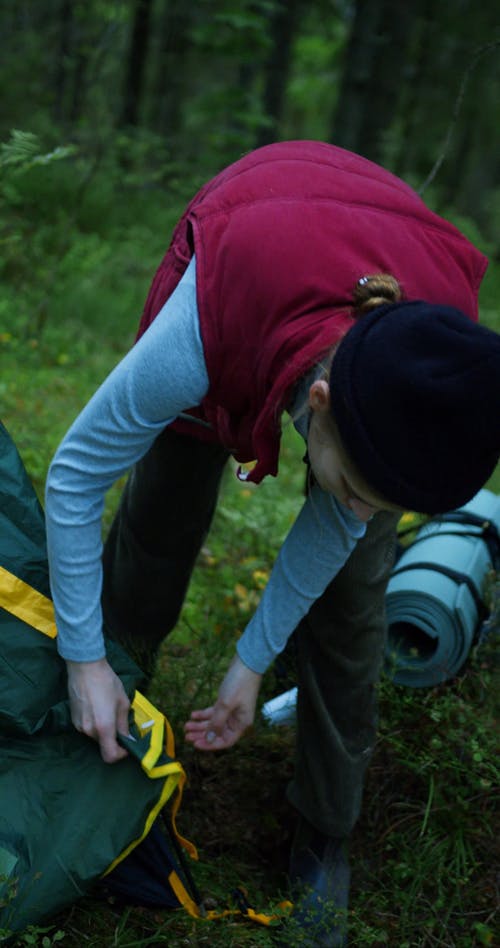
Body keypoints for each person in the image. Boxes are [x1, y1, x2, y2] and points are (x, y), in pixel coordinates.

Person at [45, 140, 500, 946]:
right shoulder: (199, 330)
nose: (362, 512)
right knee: (163, 516)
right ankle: (107, 729)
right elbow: (75, 476)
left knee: (355, 592)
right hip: (248, 255)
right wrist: (81, 656)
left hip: (388, 262)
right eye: (359, 490)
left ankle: (326, 829)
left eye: (383, 503)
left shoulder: (435, 382)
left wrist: (249, 665)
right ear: (319, 401)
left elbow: (350, 514)